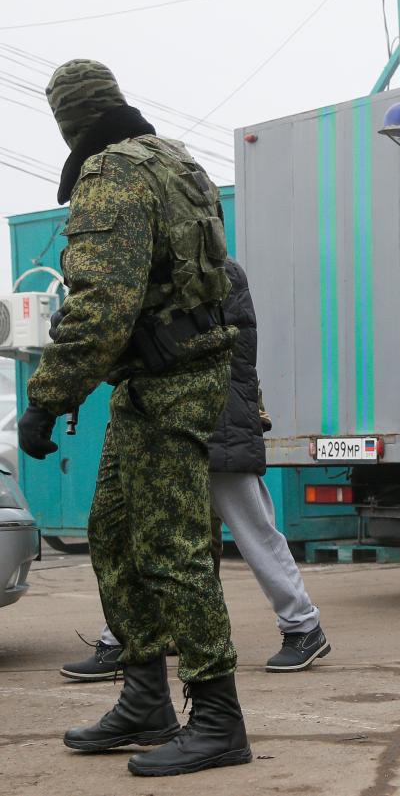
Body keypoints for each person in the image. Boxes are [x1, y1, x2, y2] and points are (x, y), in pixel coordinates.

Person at [17, 59, 250, 775]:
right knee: (112, 532)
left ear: (68, 119)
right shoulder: (174, 160)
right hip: (158, 379)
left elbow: (100, 310)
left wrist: (45, 398)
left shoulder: (113, 176)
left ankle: (218, 716)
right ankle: (146, 695)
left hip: (170, 381)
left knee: (171, 547)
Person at [61, 258, 331, 681]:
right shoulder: (164, 265)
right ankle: (123, 637)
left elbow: (185, 345)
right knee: (141, 532)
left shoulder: (210, 271)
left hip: (215, 416)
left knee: (252, 529)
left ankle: (303, 626)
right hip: (172, 415)